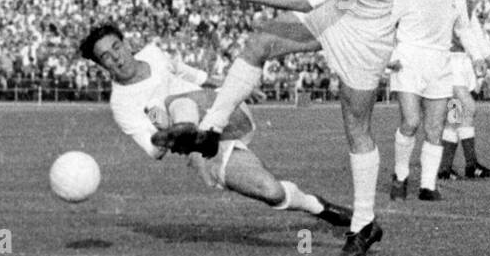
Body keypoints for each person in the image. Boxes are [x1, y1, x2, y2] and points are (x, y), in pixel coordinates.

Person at [155, 0, 408, 256]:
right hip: (341, 10)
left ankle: (365, 223)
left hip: (365, 35)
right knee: (262, 40)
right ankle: (211, 132)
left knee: (356, 128)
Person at [81, 25, 352, 229]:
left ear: (125, 44)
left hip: (220, 110)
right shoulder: (121, 104)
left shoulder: (152, 53)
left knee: (175, 101)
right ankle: (321, 208)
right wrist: (159, 126)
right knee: (271, 192)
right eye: (105, 57)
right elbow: (154, 151)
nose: (116, 57)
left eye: (116, 47)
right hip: (207, 147)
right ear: (101, 65)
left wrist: (237, 85)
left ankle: (185, 127)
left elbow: (187, 71)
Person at [387, 0, 481, 201]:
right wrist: (391, 56)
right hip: (408, 60)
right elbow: (387, 26)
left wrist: (479, 57)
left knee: (435, 128)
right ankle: (401, 175)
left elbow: (463, 29)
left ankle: (428, 186)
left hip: (440, 62)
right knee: (411, 122)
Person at [437, 0, 490, 179]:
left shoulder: (463, 0)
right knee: (468, 107)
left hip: (463, 63)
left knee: (456, 114)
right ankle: (470, 165)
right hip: (446, 61)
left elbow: (475, 31)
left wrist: (487, 57)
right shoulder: (436, 0)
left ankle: (446, 168)